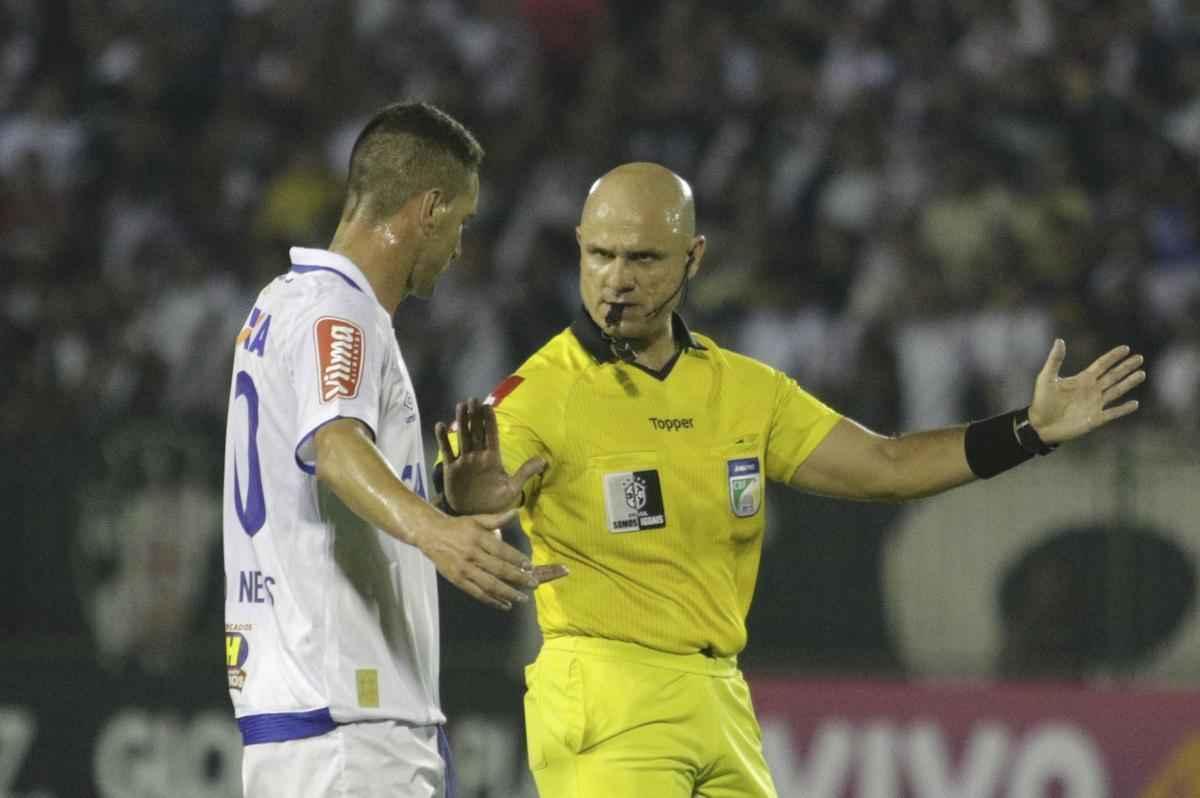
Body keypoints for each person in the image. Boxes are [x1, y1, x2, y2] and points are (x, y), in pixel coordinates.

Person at [432, 162, 1146, 797]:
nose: (616, 279)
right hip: (607, 694)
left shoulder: (745, 390)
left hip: (720, 698)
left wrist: (1029, 431)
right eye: (600, 255)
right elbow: (474, 487)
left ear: (694, 258)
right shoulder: (538, 391)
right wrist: (472, 499)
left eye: (643, 258)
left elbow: (885, 467)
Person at [222, 101, 564, 798]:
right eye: (462, 222)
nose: (460, 247)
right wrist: (438, 533)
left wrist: (438, 499)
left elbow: (317, 476)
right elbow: (336, 448)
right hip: (350, 722)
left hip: (315, 714)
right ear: (428, 209)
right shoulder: (337, 312)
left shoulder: (284, 302)